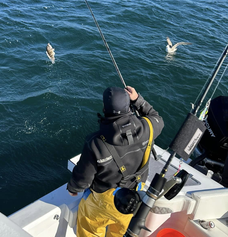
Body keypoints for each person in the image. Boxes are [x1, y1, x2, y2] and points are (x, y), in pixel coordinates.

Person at [67, 86, 164, 237]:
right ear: (128, 106)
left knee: (90, 229)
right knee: (119, 232)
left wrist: (74, 188)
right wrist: (138, 100)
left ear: (105, 108)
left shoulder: (95, 143)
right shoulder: (148, 127)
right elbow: (156, 117)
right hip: (131, 199)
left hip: (103, 201)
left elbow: (83, 175)